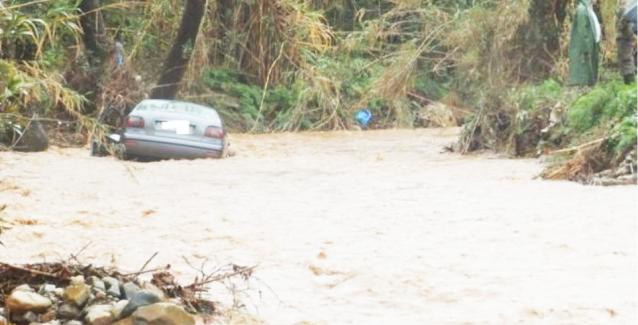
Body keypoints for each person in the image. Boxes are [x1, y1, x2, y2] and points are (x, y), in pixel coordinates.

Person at [568, 0, 602, 86]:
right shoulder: (582, 10)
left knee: (591, 68)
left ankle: (590, 86)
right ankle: (585, 88)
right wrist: (587, 47)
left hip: (592, 42)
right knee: (585, 69)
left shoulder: (589, 9)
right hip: (587, 45)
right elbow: (582, 31)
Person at [617, 0, 637, 84]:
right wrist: (634, 36)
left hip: (630, 40)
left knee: (630, 61)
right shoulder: (625, 12)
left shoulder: (631, 11)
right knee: (627, 62)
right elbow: (623, 28)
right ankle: (629, 83)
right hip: (626, 41)